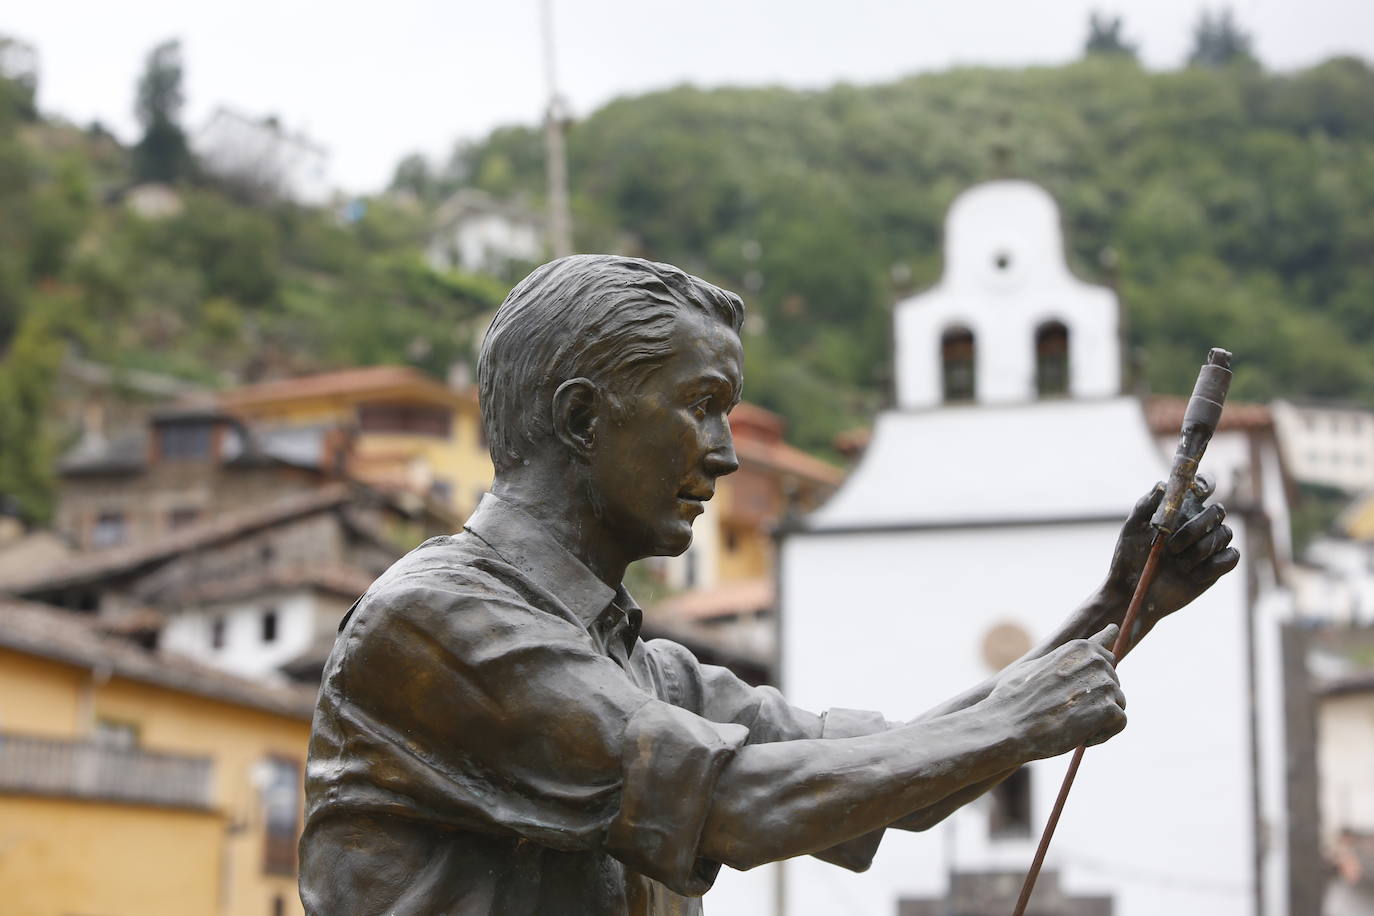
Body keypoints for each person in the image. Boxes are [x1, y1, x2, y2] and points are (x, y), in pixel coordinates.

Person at [298, 254, 1238, 915]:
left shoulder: (649, 673)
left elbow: (905, 776)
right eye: (702, 407)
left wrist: (1122, 609)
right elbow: (732, 803)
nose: (728, 455)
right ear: (584, 417)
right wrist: (1014, 721)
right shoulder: (434, 622)